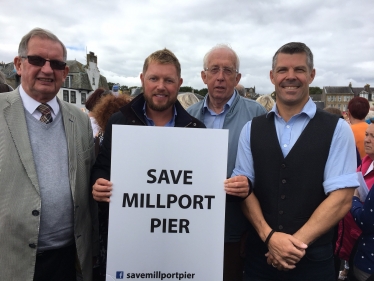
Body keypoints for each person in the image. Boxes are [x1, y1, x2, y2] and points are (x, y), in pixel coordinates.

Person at [230, 42, 359, 281]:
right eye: (282, 70)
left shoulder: (337, 129)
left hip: (313, 262)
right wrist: (269, 237)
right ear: (272, 76)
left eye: (299, 70)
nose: (291, 77)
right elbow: (244, 190)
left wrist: (292, 246)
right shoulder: (252, 129)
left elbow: (341, 198)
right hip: (261, 259)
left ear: (312, 75)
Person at [91, 48, 206, 278]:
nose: (161, 86)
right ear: (143, 79)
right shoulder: (119, 121)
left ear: (179, 83)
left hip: (178, 251)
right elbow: (103, 164)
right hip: (129, 246)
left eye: (169, 80)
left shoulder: (196, 130)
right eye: (154, 78)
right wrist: (98, 182)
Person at [0, 28, 98, 280]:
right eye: (36, 60)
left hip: (69, 259)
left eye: (56, 64)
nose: (46, 69)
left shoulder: (80, 119)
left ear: (65, 73)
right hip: (11, 261)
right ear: (19, 64)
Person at [187, 44, 267, 281]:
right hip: (193, 229)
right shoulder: (187, 116)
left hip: (238, 230)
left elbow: (268, 172)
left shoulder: (257, 115)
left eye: (228, 71)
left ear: (237, 77)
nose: (220, 77)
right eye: (214, 70)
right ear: (204, 76)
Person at [350, 122, 374, 281]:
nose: (367, 140)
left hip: (369, 257)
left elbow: (367, 220)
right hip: (353, 241)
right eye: (367, 134)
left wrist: (354, 199)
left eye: (373, 137)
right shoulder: (366, 161)